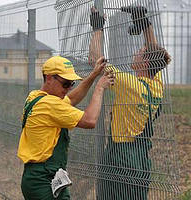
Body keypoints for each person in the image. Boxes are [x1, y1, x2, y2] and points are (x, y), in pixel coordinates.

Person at [89, 6, 171, 200]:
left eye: (140, 52)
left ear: (144, 63)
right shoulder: (157, 85)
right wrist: (144, 23)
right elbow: (155, 55)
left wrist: (97, 28)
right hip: (141, 158)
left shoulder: (130, 84)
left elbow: (95, 60)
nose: (136, 52)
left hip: (121, 158)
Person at [17, 55, 115, 200]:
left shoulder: (36, 97)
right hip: (42, 180)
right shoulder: (50, 104)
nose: (69, 88)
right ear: (49, 78)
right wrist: (100, 88)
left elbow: (72, 99)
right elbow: (90, 120)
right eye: (65, 83)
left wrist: (93, 75)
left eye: (71, 84)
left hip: (47, 177)